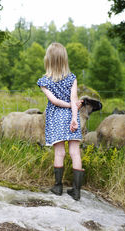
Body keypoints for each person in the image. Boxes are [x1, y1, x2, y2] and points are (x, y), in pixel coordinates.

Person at [37, 42, 84, 201]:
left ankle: (58, 187)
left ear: (48, 60)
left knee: (59, 152)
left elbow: (55, 101)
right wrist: (73, 115)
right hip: (73, 116)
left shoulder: (44, 81)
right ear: (64, 59)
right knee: (75, 152)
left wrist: (69, 106)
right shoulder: (72, 78)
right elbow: (74, 99)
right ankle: (76, 191)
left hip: (56, 117)